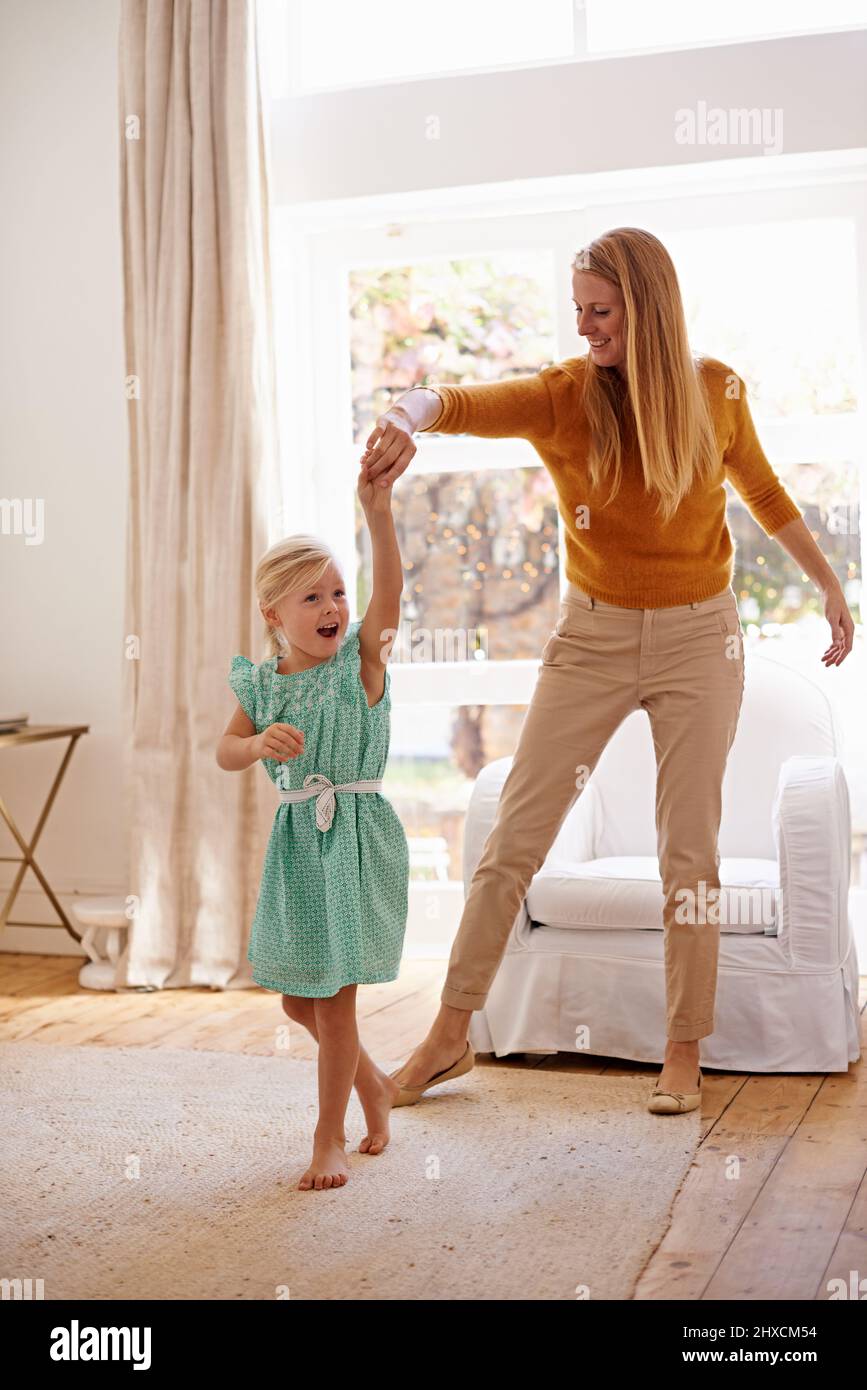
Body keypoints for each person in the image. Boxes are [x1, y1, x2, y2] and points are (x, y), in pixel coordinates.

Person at [359, 225, 855, 1116]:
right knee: (514, 839)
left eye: (601, 311)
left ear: (648, 308)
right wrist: (404, 413)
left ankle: (681, 1046)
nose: (585, 328)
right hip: (588, 639)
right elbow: (462, 403)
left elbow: (768, 495)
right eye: (578, 311)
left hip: (701, 640)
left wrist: (829, 589)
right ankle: (447, 1034)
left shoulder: (714, 392)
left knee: (689, 852)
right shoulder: (562, 396)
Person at [216, 465, 409, 1189]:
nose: (333, 607)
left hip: (355, 840)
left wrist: (377, 513)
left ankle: (328, 1137)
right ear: (273, 613)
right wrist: (257, 744)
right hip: (299, 845)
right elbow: (225, 751)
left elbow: (388, 594)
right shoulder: (262, 685)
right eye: (313, 597)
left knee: (333, 1002)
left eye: (337, 593)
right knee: (299, 998)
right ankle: (376, 1083)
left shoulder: (360, 663)